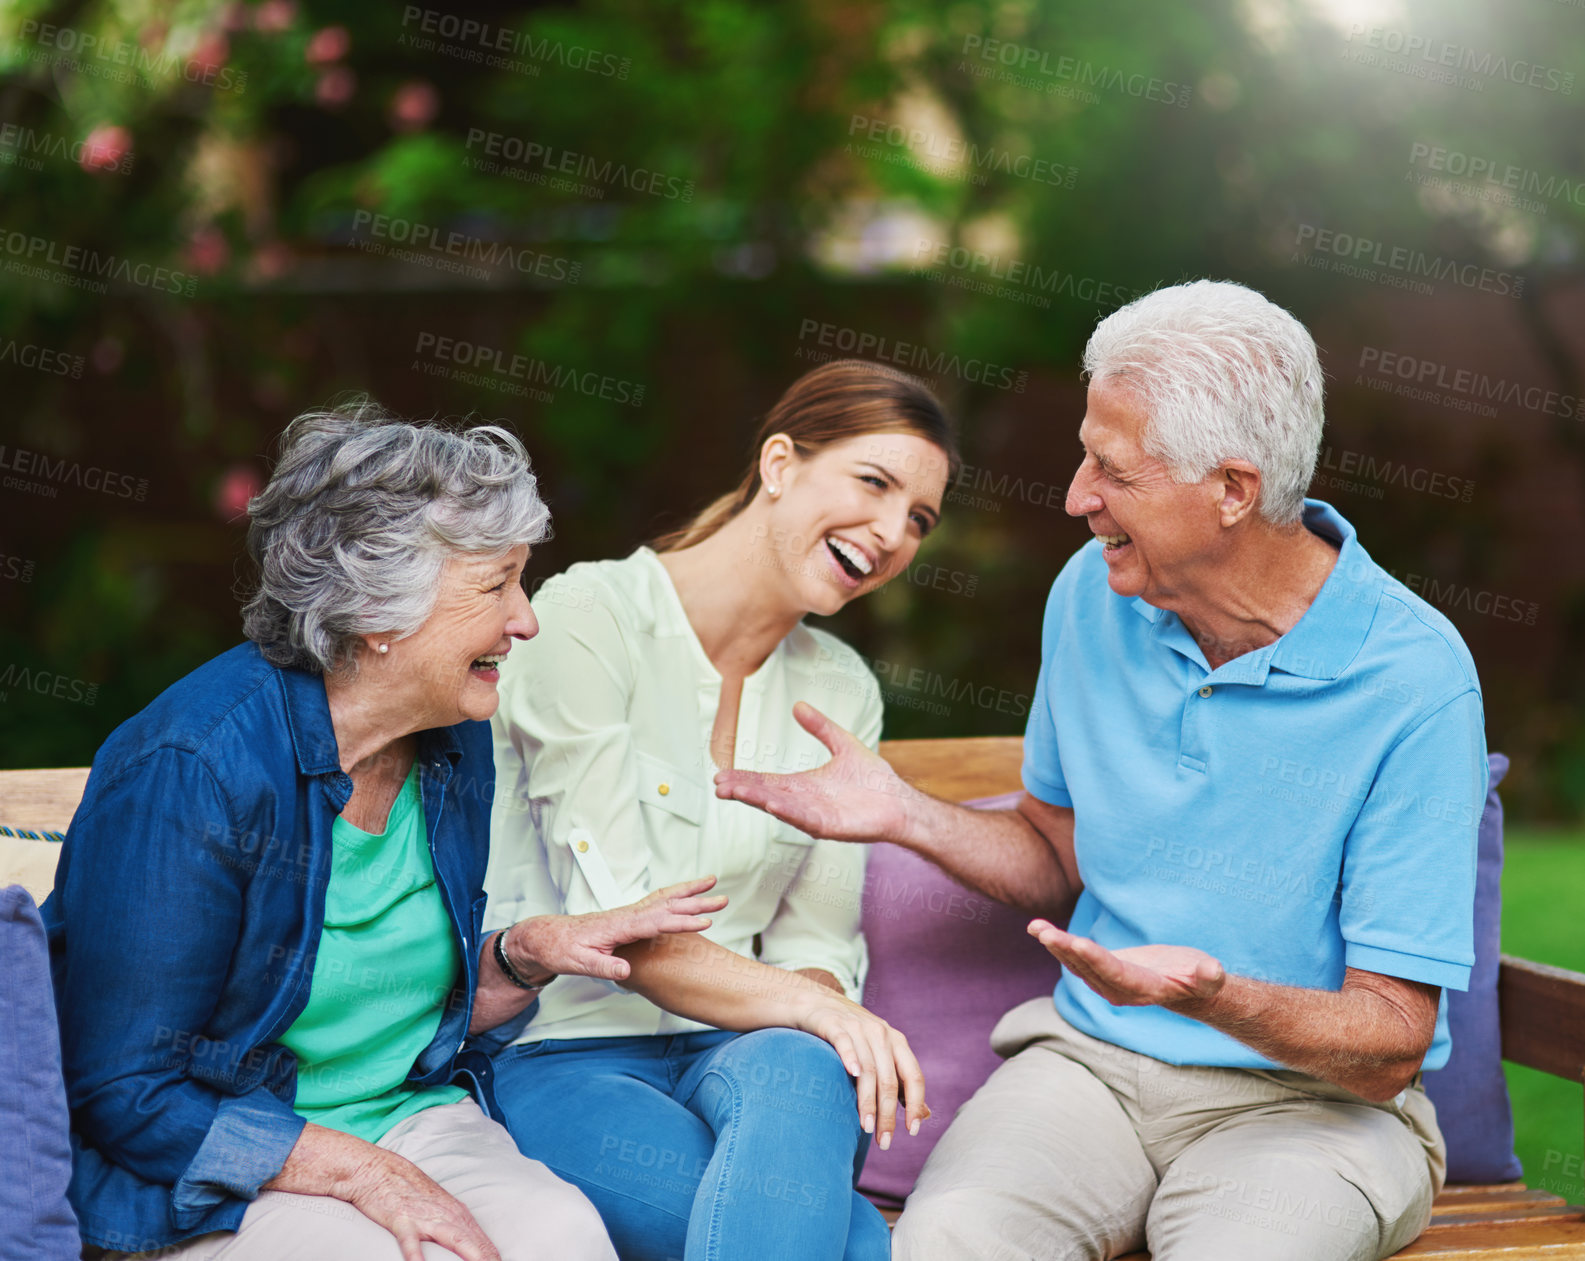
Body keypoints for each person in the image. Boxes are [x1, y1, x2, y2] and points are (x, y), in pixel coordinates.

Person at [718, 282, 1487, 1261]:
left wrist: (1211, 998)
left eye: (1110, 469)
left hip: (1315, 1111)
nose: (1077, 495)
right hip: (1090, 1070)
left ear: (1232, 490)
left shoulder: (1411, 678)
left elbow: (1388, 1043)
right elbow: (1055, 851)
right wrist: (906, 814)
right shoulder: (1094, 592)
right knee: (946, 1242)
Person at [45, 403, 729, 1261]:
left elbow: (392, 1005)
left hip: (405, 1120)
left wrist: (525, 952)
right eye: (495, 586)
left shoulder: (452, 735)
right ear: (376, 611)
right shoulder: (192, 768)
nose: (526, 619)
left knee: (565, 1238)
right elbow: (123, 1088)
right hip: (208, 1170)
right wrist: (365, 1174)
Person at [482, 359, 953, 1260]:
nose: (893, 532)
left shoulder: (839, 688)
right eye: (874, 482)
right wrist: (830, 1015)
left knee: (806, 1061)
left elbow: (816, 945)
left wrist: (822, 1008)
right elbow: (625, 932)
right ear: (779, 463)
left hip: (759, 1061)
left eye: (919, 519)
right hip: (565, 1054)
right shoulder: (588, 617)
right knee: (850, 1240)